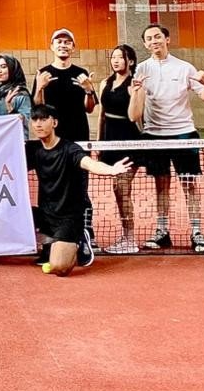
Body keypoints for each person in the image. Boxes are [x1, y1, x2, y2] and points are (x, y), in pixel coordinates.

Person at [128, 24, 204, 254]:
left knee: (189, 184)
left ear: (167, 39)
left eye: (157, 37)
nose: (153, 41)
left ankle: (197, 232)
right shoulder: (142, 69)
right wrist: (135, 92)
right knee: (161, 185)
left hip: (184, 134)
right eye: (149, 38)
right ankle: (162, 231)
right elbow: (135, 108)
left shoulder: (184, 68)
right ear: (145, 44)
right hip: (155, 135)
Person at [27, 104, 132, 276]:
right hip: (45, 215)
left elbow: (90, 164)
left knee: (59, 267)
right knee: (11, 217)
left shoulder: (70, 149)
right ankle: (49, 243)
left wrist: (111, 169)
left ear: (54, 123)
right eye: (35, 119)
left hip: (67, 218)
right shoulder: (33, 150)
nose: (38, 124)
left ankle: (80, 238)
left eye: (44, 119)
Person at [32, 28, 97, 240]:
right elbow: (38, 109)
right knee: (50, 188)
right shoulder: (43, 73)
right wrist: (40, 87)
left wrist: (88, 90)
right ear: (52, 46)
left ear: (73, 47)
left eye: (67, 42)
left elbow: (90, 108)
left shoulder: (81, 74)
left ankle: (86, 231)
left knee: (80, 187)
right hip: (52, 143)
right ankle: (51, 232)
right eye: (59, 41)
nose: (63, 45)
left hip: (78, 140)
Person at [98, 44, 142, 255]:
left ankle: (130, 239)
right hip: (109, 141)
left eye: (120, 57)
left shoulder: (136, 84)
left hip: (128, 141)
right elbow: (101, 115)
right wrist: (98, 143)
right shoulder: (105, 83)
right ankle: (126, 236)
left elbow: (134, 116)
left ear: (130, 61)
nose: (115, 61)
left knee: (122, 188)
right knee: (117, 189)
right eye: (113, 57)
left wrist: (135, 94)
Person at [0, 54, 32, 138]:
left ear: (12, 69)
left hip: (13, 139)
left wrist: (9, 107)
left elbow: (23, 123)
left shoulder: (20, 93)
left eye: (3, 67)